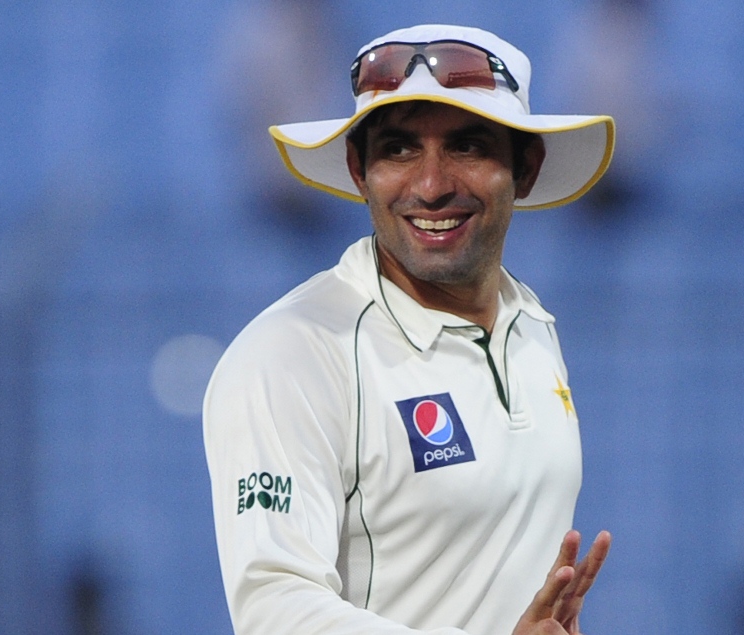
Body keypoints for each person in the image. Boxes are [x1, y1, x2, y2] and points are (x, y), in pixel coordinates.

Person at [203, 23, 616, 635]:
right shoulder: (291, 353)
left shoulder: (530, 324)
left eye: (467, 147)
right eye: (398, 149)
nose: (430, 186)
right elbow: (274, 612)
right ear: (357, 170)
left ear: (525, 168)